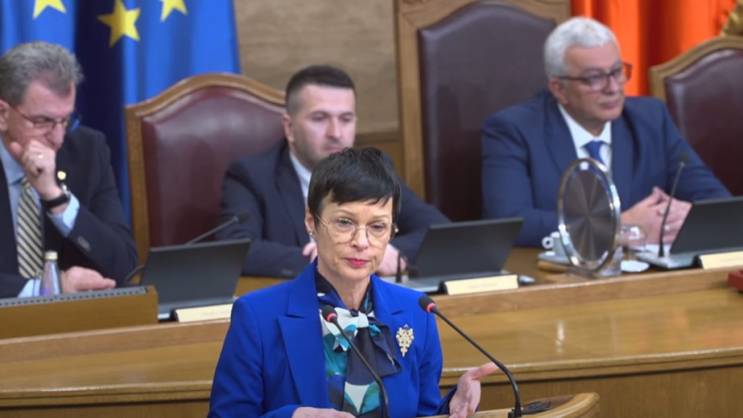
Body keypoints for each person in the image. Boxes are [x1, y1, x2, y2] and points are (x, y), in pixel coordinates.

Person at [210, 148, 496, 417]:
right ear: (311, 221)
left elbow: (423, 413)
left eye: (377, 226)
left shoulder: (417, 312)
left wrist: (452, 408)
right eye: (344, 223)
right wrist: (291, 415)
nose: (361, 242)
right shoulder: (257, 316)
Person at [481, 17, 730, 247]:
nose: (612, 88)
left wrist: (684, 215)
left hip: (649, 271)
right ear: (559, 89)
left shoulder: (651, 120)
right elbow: (511, 224)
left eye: (617, 72)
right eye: (594, 78)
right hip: (557, 275)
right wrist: (616, 226)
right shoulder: (513, 131)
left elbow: (717, 202)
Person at [217, 65, 448, 278]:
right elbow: (236, 250)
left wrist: (387, 252)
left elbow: (440, 231)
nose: (336, 133)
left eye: (345, 119)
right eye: (320, 118)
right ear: (289, 127)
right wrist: (325, 259)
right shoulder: (252, 176)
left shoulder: (374, 170)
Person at [0, 42, 137, 298]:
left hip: (77, 320)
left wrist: (57, 200)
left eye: (65, 120)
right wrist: (46, 289)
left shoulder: (88, 152)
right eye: (42, 121)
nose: (58, 138)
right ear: (3, 114)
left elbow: (124, 266)